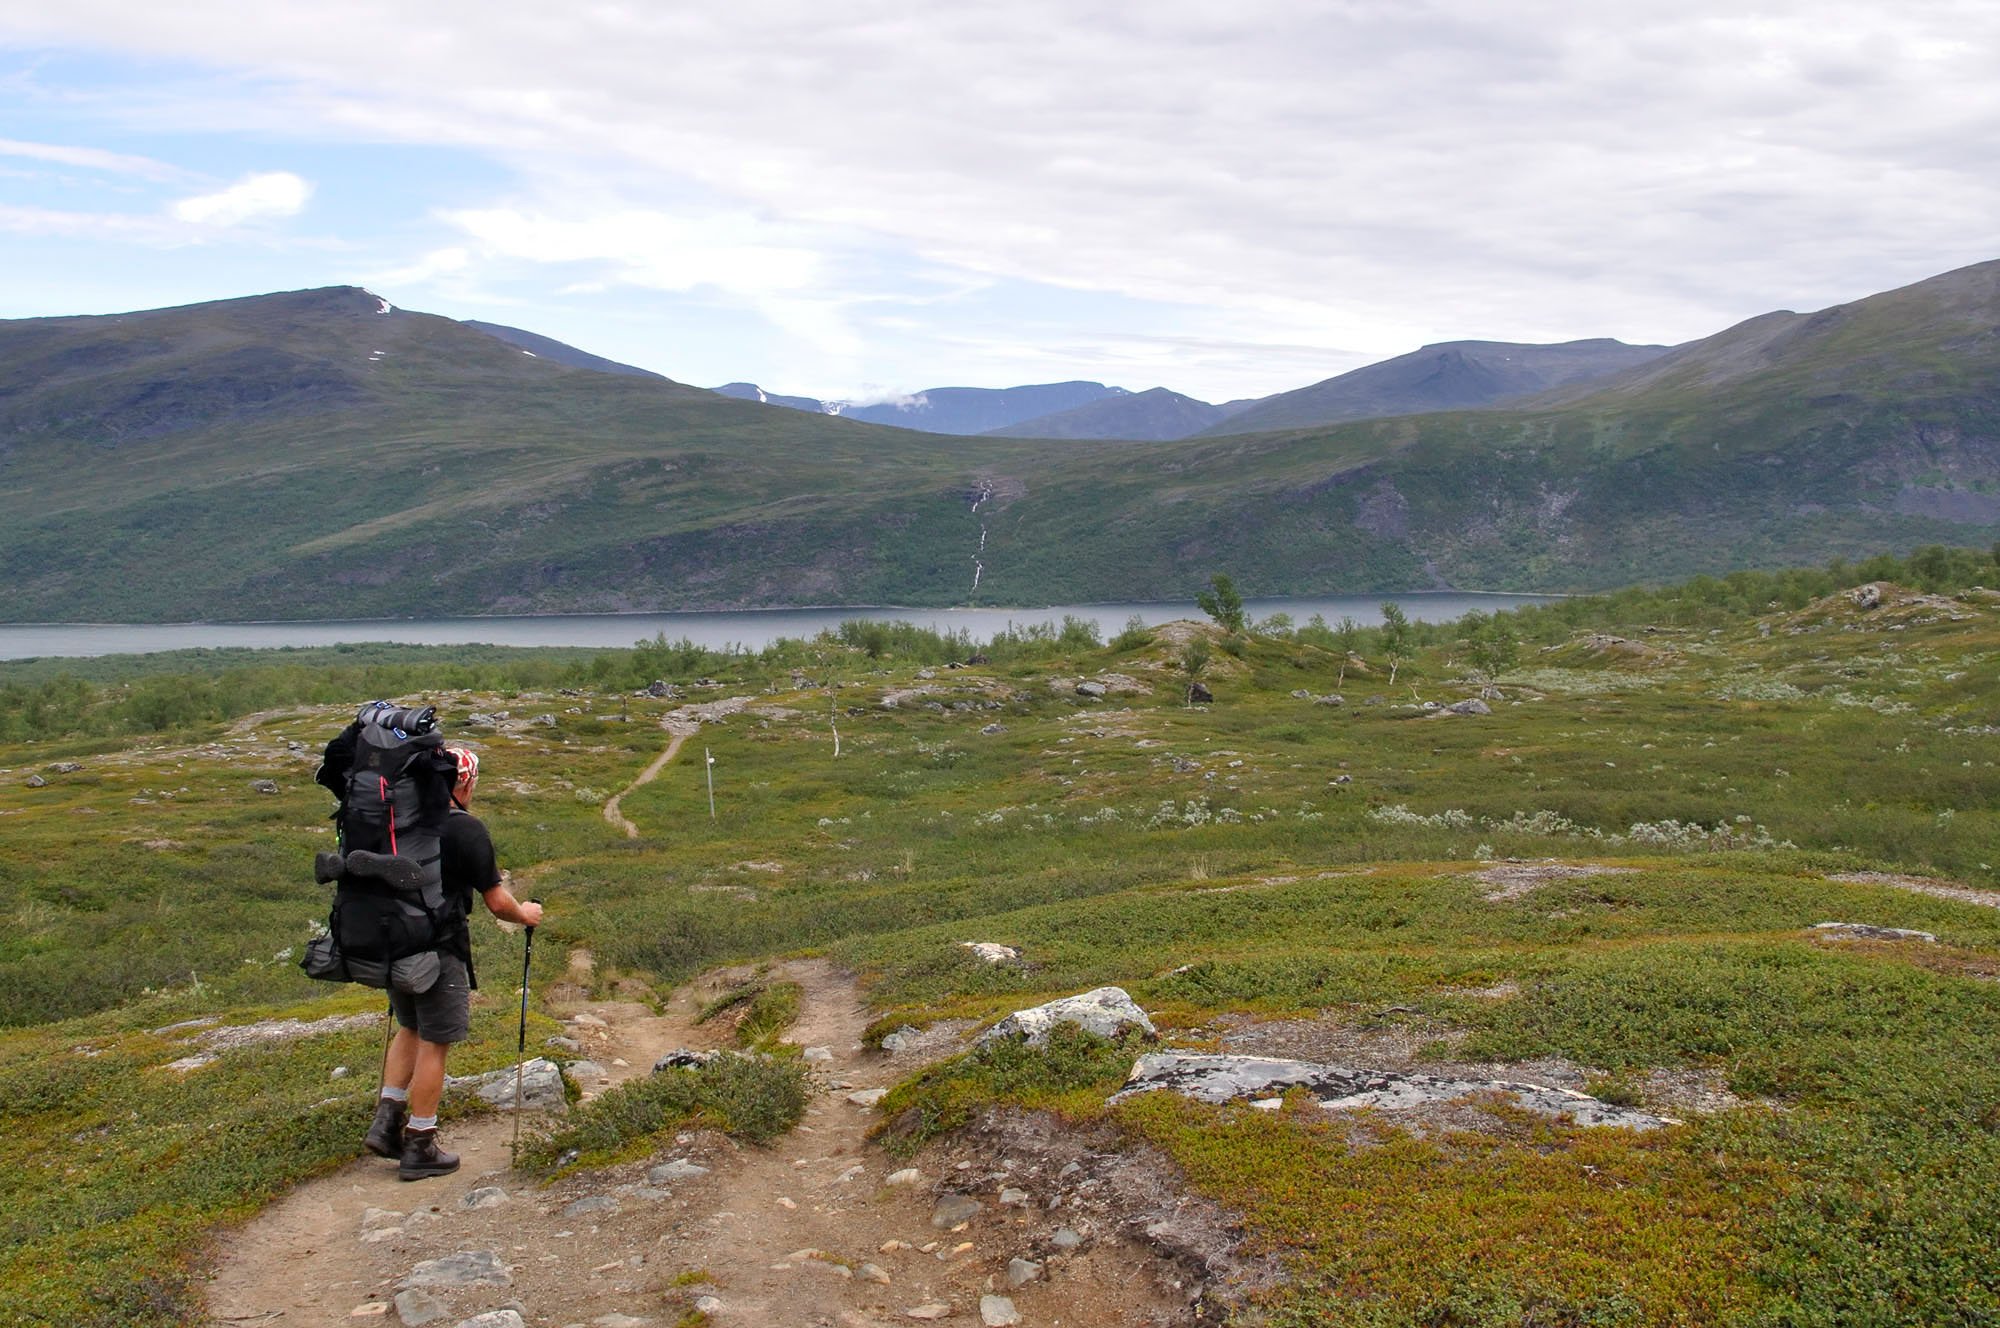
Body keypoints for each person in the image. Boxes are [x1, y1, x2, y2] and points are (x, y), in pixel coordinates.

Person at [362, 746, 543, 1180]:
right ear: (462, 782)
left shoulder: (399, 821)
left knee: (409, 1027)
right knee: (435, 1042)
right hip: (439, 949)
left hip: (395, 943)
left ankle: (386, 1122)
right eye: (473, 782)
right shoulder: (466, 830)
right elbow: (497, 903)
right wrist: (527, 915)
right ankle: (420, 1144)